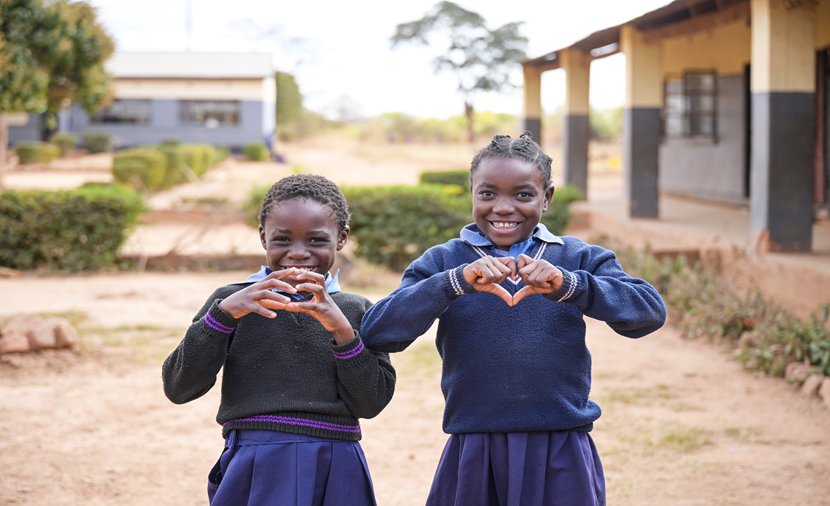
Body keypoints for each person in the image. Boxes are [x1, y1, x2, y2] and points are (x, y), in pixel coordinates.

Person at [360, 132, 667, 506]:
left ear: (547, 197)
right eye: (488, 194)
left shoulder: (576, 258)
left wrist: (571, 286)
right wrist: (453, 283)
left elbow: (649, 311)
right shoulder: (445, 262)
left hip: (560, 441)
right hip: (475, 443)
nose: (503, 208)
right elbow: (378, 331)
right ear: (471, 192)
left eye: (523, 195)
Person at [162, 174, 395, 506]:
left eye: (316, 240)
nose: (298, 254)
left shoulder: (355, 310)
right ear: (263, 237)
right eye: (282, 239)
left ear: (341, 238)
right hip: (254, 462)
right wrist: (223, 316)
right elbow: (178, 386)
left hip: (335, 463)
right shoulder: (230, 302)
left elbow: (371, 403)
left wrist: (343, 333)